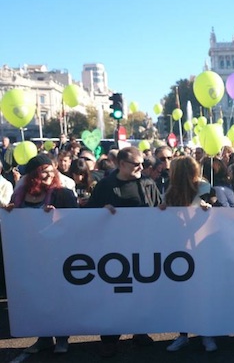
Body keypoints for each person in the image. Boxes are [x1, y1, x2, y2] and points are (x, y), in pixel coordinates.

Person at [86, 146, 162, 357]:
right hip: (113, 250)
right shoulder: (106, 186)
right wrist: (101, 212)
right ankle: (110, 337)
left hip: (142, 247)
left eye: (142, 164)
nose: (141, 168)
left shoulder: (147, 183)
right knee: (114, 293)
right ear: (121, 164)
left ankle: (140, 330)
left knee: (141, 290)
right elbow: (88, 213)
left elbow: (158, 208)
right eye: (136, 164)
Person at [7, 154, 78, 354]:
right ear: (31, 175)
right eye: (42, 171)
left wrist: (57, 216)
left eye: (50, 169)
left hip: (57, 255)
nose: (47, 174)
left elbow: (76, 221)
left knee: (59, 296)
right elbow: (17, 220)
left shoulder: (62, 193)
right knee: (37, 295)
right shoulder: (20, 194)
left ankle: (63, 338)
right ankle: (44, 337)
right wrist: (11, 212)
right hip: (30, 254)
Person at [160, 156, 218, 352]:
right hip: (179, 247)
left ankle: (206, 333)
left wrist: (207, 208)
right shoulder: (170, 190)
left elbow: (214, 208)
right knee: (182, 292)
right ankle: (183, 334)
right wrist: (160, 210)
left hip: (201, 246)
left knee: (201, 291)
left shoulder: (203, 187)